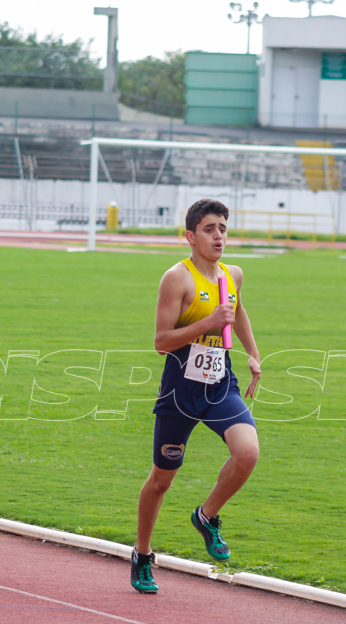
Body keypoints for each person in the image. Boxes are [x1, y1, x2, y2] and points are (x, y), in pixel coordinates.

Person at [130, 198, 263, 594]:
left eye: (223, 228)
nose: (219, 235)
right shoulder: (177, 278)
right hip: (180, 389)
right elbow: (160, 341)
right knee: (161, 480)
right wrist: (207, 322)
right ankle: (141, 553)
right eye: (210, 229)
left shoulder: (233, 274)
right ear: (190, 236)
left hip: (220, 383)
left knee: (248, 453)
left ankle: (206, 516)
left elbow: (236, 312)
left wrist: (253, 353)